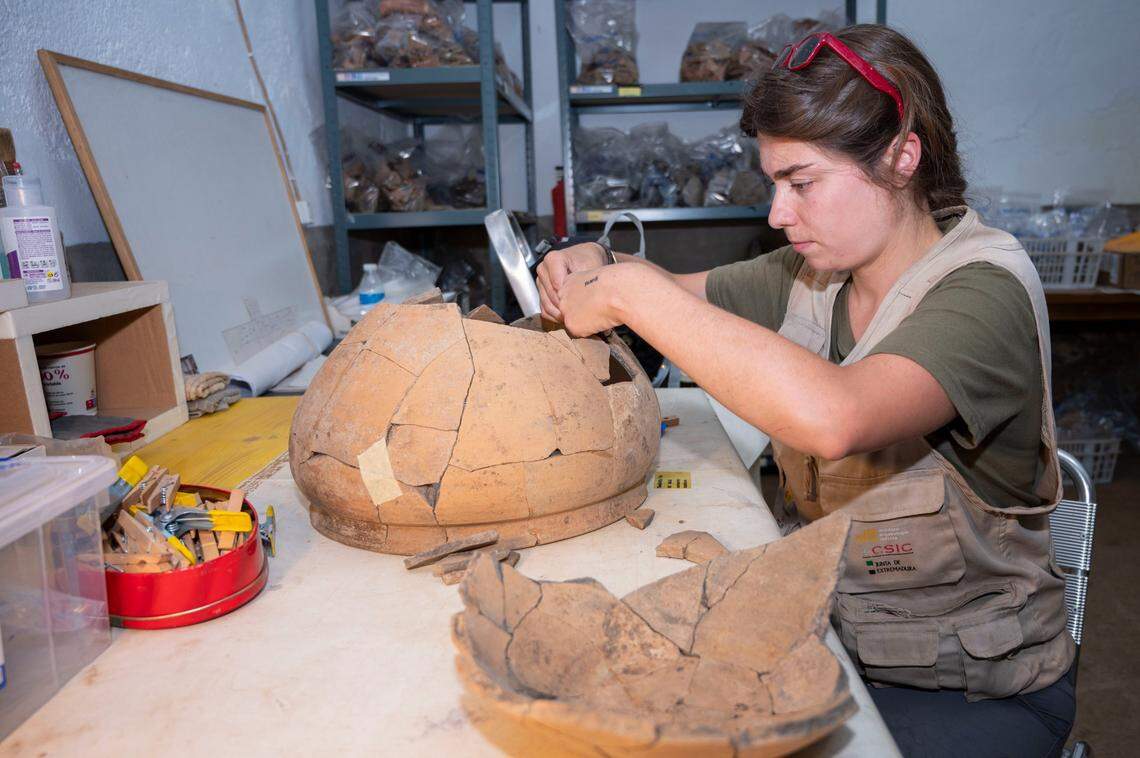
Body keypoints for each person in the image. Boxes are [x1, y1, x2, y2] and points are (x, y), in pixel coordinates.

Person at [536, 24, 1076, 758]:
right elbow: (672, 289)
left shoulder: (985, 293)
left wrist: (629, 295)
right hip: (831, 648)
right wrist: (596, 262)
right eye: (773, 185)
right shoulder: (813, 278)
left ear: (901, 157)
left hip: (972, 692)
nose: (777, 215)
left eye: (802, 183)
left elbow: (836, 416)